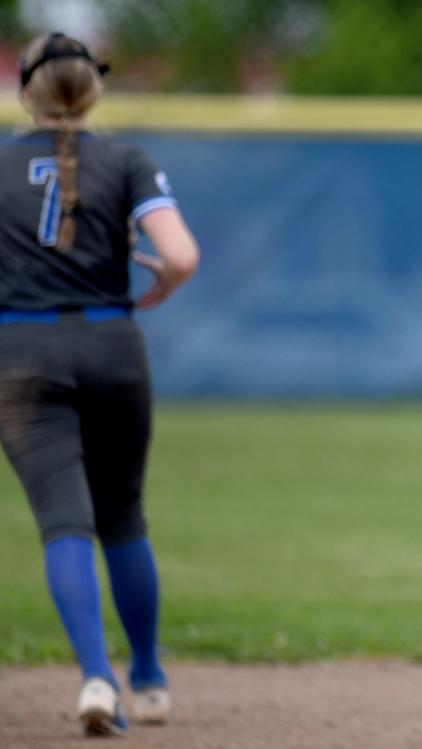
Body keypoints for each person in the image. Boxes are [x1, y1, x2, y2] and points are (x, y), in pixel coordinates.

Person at [0, 32, 200, 736]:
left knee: (64, 522)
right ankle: (147, 679)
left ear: (26, 90)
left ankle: (95, 678)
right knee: (123, 516)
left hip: (20, 352)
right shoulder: (125, 159)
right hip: (113, 343)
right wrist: (160, 285)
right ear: (95, 90)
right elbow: (180, 253)